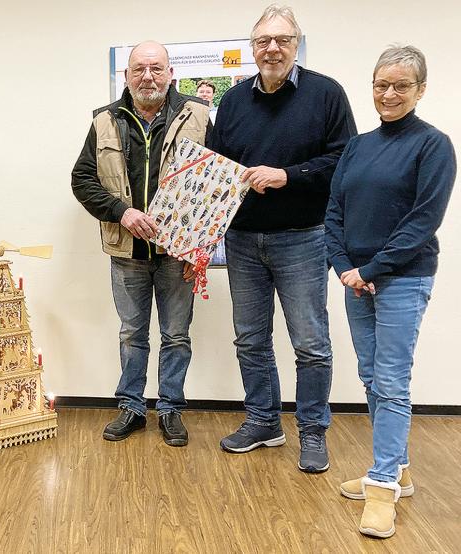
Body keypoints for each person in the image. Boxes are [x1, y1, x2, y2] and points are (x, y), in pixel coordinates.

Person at [208, 4, 356, 472]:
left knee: (310, 343)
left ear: (296, 45)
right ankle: (263, 421)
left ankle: (312, 432)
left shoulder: (326, 94)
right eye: (263, 41)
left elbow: (344, 161)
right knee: (250, 340)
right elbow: (215, 171)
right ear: (252, 48)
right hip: (244, 241)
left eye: (282, 40)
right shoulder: (232, 102)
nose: (272, 48)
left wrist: (288, 176)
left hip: (302, 240)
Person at [325, 45, 455, 538]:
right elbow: (334, 209)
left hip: (404, 277)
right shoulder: (358, 146)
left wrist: (373, 267)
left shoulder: (433, 145)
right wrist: (344, 266)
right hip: (356, 279)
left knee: (392, 380)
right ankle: (394, 468)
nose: (390, 93)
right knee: (370, 376)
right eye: (382, 84)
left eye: (401, 85)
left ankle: (382, 489)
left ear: (420, 90)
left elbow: (422, 221)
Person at [72, 41, 210, 447]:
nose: (147, 76)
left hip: (177, 252)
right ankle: (131, 407)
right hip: (127, 253)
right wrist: (121, 211)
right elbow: (82, 180)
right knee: (132, 334)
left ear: (170, 73)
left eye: (155, 68)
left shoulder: (198, 117)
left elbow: (217, 185)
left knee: (176, 335)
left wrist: (198, 249)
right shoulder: (104, 121)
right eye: (138, 69)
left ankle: (170, 410)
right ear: (127, 76)